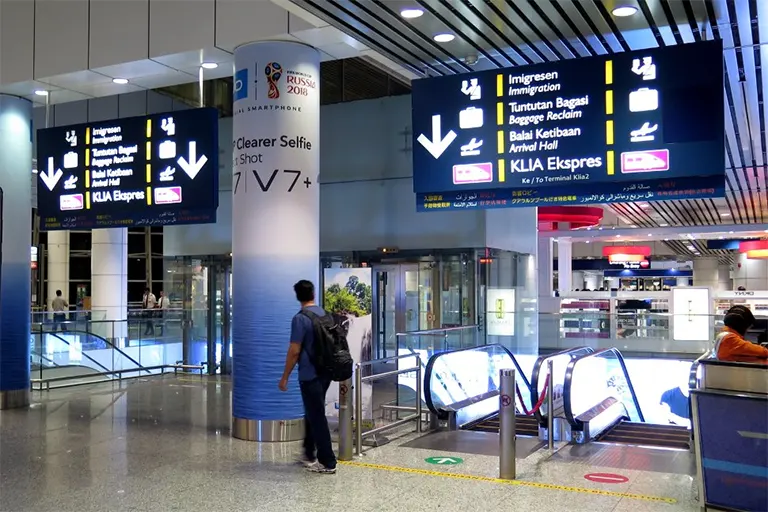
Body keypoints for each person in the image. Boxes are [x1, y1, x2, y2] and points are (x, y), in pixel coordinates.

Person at [278, 280, 337, 474]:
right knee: (313, 412)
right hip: (326, 372)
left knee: (316, 416)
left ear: (297, 296)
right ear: (313, 293)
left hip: (309, 374)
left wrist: (284, 377)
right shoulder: (325, 314)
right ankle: (309, 453)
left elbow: (294, 351)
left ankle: (328, 462)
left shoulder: (300, 318)